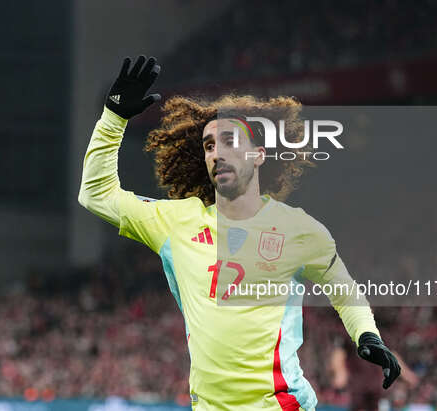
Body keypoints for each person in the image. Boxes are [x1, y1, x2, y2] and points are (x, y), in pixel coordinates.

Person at [78, 55, 401, 410]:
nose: (217, 153)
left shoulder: (298, 229)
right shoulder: (176, 222)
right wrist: (113, 119)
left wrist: (367, 334)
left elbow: (344, 289)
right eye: (210, 146)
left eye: (230, 141)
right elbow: (96, 195)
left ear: (258, 155)